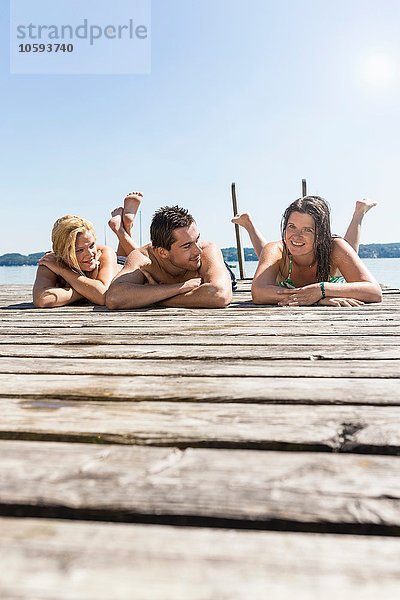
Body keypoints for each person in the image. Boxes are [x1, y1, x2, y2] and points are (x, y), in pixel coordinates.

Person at [232, 197, 382, 307]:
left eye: (307, 230)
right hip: (284, 262)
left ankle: (358, 214)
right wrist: (318, 298)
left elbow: (374, 291)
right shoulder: (276, 249)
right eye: (291, 226)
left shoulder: (335, 247)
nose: (297, 235)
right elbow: (258, 292)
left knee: (348, 250)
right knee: (266, 254)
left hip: (332, 269)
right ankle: (249, 226)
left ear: (321, 235)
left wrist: (322, 289)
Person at [105, 205, 233, 309]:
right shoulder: (144, 259)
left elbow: (219, 295)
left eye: (197, 239)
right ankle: (124, 228)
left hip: (221, 271)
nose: (198, 250)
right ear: (162, 252)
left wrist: (156, 297)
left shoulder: (207, 250)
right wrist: (181, 288)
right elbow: (114, 297)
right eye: (187, 246)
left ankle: (124, 229)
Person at [33, 192, 142, 308]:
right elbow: (42, 299)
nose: (90, 254)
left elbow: (102, 295)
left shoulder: (104, 252)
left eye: (91, 245)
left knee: (144, 260)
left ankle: (122, 229)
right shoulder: (51, 261)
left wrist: (63, 271)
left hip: (123, 266)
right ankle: (125, 225)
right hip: (118, 264)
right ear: (61, 253)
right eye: (79, 250)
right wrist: (88, 289)